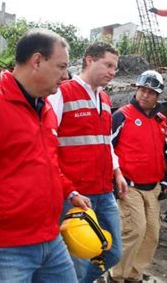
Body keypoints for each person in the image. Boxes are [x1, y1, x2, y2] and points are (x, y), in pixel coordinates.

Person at [0, 28, 90, 283]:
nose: (66, 76)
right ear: (37, 61)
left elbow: (47, 165)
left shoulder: (44, 109)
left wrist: (69, 192)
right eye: (61, 66)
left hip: (50, 240)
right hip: (4, 249)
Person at [49, 42, 128, 283]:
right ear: (89, 60)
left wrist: (117, 171)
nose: (112, 72)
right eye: (108, 65)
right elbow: (48, 144)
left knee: (113, 252)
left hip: (104, 190)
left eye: (115, 67)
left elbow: (106, 143)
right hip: (75, 194)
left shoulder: (104, 99)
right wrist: (65, 188)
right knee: (79, 259)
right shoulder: (62, 92)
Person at [109, 70, 167, 283]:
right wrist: (112, 181)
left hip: (152, 187)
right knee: (134, 230)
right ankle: (116, 276)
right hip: (129, 185)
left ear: (158, 96)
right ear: (136, 91)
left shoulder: (161, 121)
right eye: (142, 90)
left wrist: (165, 180)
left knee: (152, 234)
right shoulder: (121, 116)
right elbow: (106, 148)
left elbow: (166, 152)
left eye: (150, 92)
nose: (144, 95)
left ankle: (134, 275)